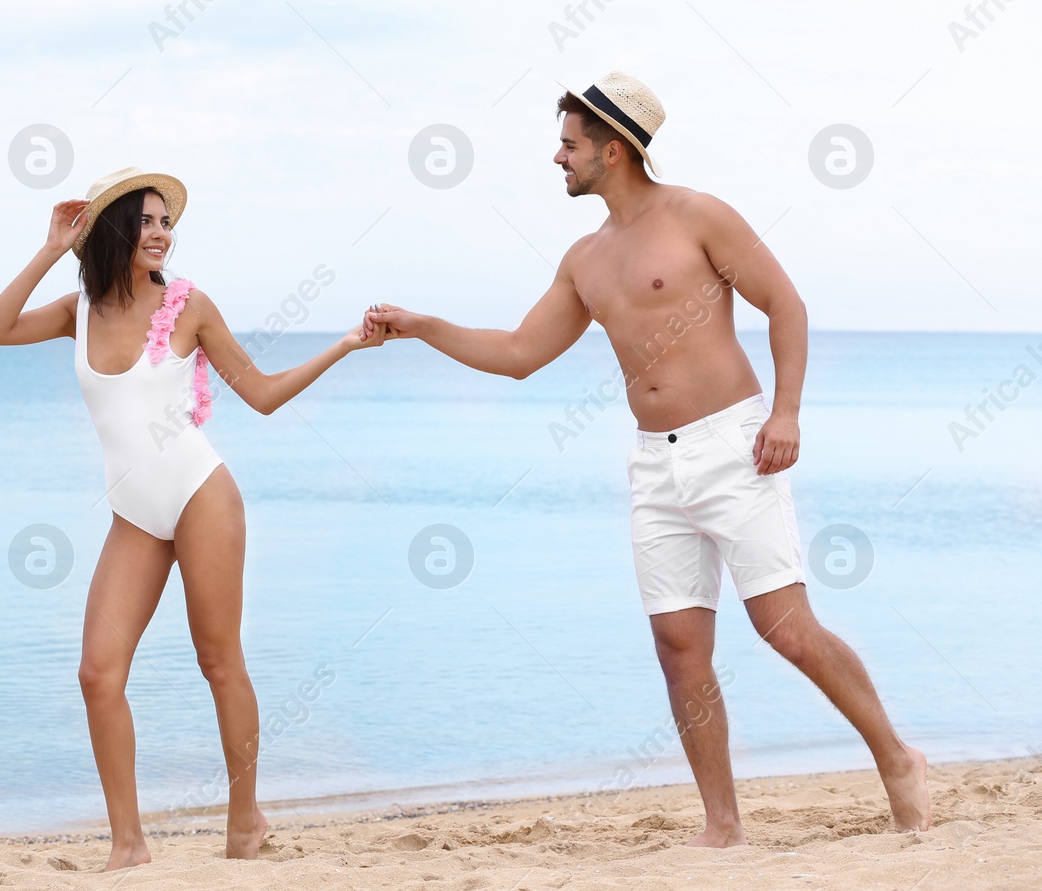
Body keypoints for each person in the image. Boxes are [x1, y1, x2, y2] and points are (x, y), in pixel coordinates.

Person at [364, 72, 930, 845]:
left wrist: (787, 411)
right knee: (679, 648)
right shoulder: (583, 258)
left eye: (568, 144)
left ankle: (897, 757)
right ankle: (722, 822)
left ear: (614, 148)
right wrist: (422, 324)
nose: (556, 158)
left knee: (787, 628)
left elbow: (786, 304)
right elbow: (521, 353)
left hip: (738, 447)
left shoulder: (697, 215)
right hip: (653, 465)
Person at [0, 166, 386, 869]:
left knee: (219, 660)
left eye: (168, 222)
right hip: (133, 513)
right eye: (148, 221)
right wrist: (50, 247)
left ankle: (245, 823)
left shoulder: (189, 305)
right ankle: (129, 844)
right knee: (97, 675)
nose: (163, 233)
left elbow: (260, 393)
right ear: (113, 231)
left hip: (200, 492)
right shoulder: (76, 311)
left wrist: (345, 342)